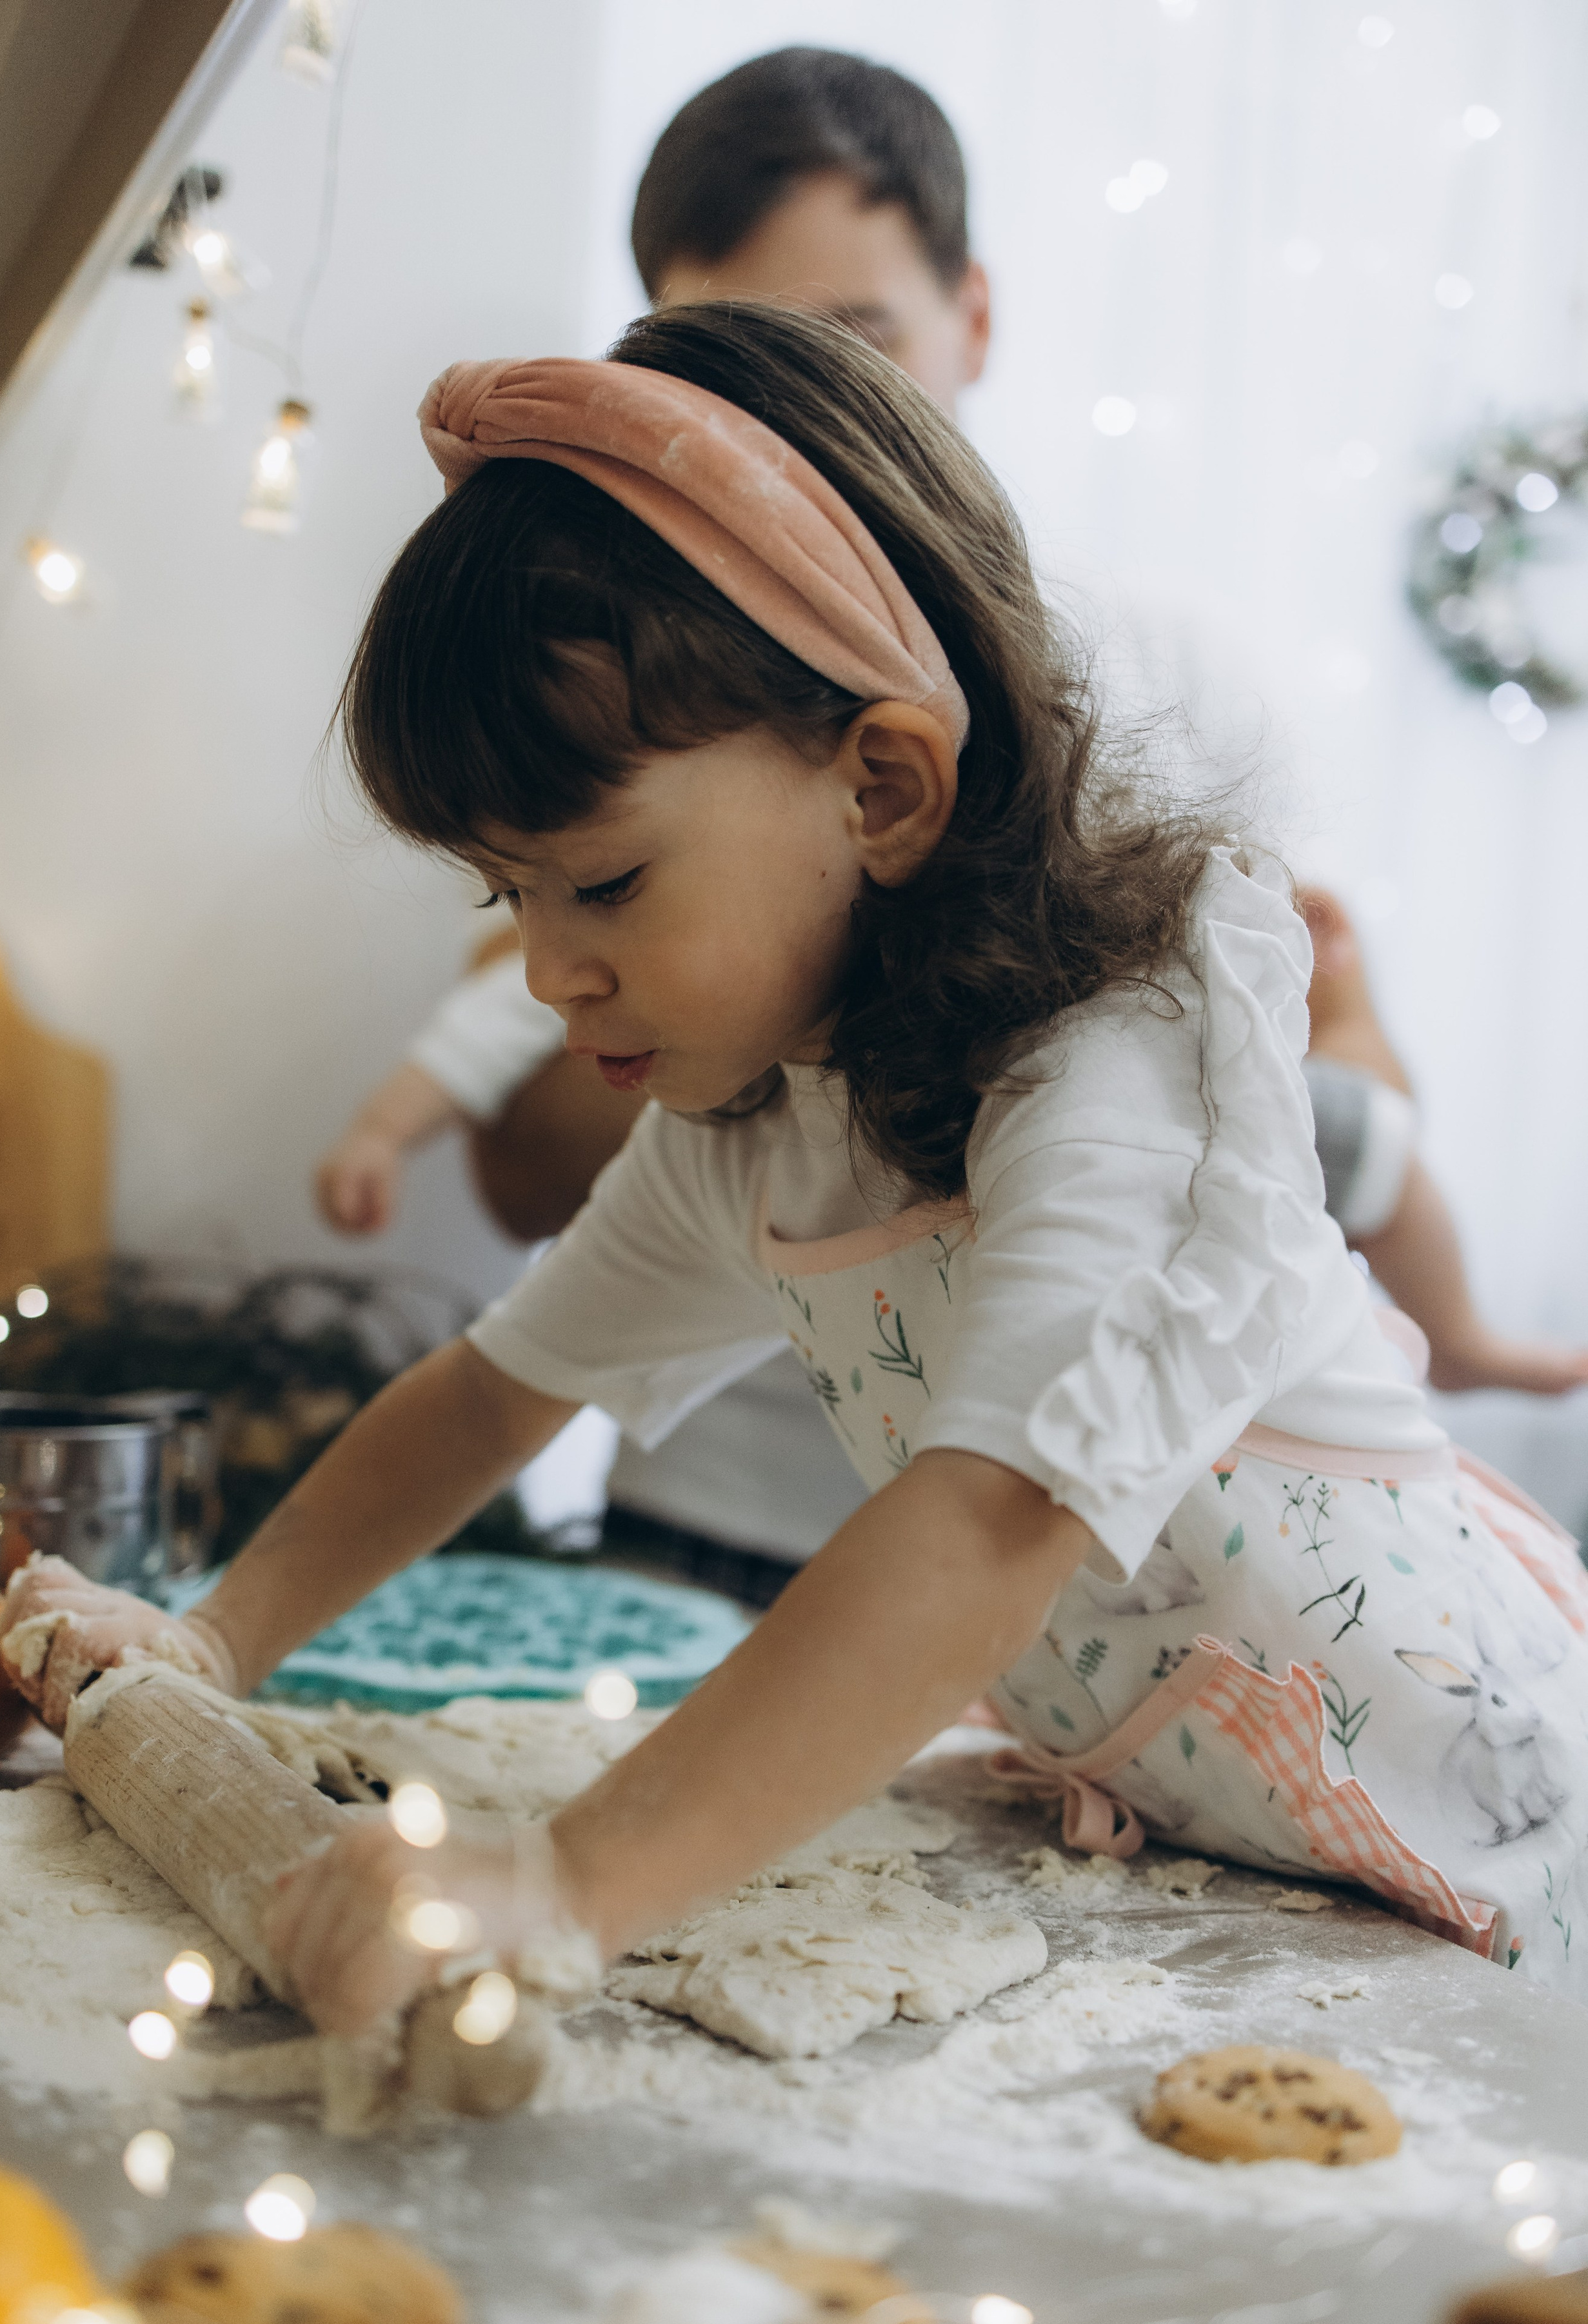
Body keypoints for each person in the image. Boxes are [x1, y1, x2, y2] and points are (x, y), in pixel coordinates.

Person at [12, 308, 1588, 2030]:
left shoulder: (1119, 1073)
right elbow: (489, 1396)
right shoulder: (754, 1121)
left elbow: (984, 1535)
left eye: (601, 886)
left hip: (1499, 1850)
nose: (547, 970)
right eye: (505, 896)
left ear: (888, 787)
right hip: (1255, 1861)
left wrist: (561, 1886)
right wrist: (219, 1639)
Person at [320, 46, 1587, 1409]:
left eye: (855, 341)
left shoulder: (1170, 670)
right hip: (725, 1475)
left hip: (1070, 1500)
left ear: (971, 318)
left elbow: (1314, 1091)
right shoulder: (612, 696)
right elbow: (522, 1176)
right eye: (739, 368)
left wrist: (1308, 1040)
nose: (790, 432)